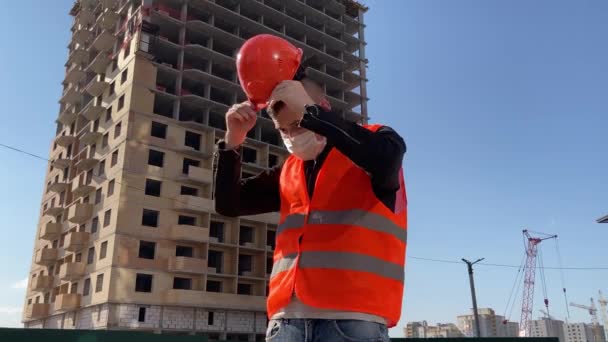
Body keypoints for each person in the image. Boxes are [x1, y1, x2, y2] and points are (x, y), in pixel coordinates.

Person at [214, 34, 407, 342]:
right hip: (287, 320)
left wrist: (313, 115)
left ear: (321, 109)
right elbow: (229, 203)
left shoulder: (375, 142)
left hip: (353, 318)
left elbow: (385, 161)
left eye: (300, 124)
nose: (293, 135)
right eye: (284, 130)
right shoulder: (289, 171)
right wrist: (233, 140)